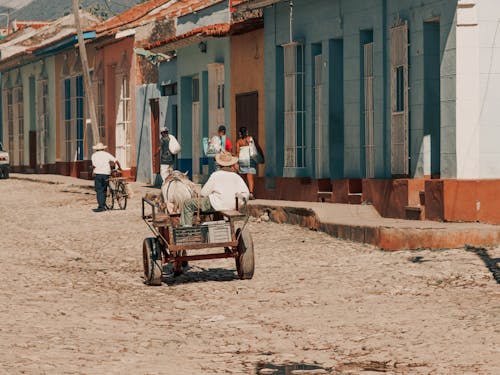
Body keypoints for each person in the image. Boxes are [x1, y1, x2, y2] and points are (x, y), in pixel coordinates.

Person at [180, 150, 249, 227]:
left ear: (219, 164)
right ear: (231, 164)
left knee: (188, 204)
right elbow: (246, 193)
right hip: (234, 205)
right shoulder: (237, 177)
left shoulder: (216, 175)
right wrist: (239, 203)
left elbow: (204, 193)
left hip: (217, 204)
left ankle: (187, 229)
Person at [91, 142, 121, 212]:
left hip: (98, 173)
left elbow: (93, 165)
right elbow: (116, 161)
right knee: (104, 189)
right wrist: (120, 168)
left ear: (96, 149)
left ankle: (101, 206)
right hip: (106, 174)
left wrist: (93, 171)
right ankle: (103, 204)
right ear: (103, 149)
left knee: (99, 190)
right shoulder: (107, 154)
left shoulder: (94, 155)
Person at [236, 126, 257, 200]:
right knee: (250, 178)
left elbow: (238, 152)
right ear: (247, 132)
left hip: (242, 160)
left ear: (240, 133)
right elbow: (253, 149)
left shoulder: (239, 141)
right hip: (249, 160)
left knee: (243, 178)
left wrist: (236, 161)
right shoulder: (249, 139)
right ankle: (251, 193)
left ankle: (243, 194)